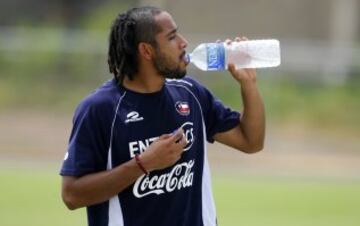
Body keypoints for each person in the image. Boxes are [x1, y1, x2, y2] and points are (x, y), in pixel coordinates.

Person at [60, 6, 265, 226]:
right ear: (147, 51)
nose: (183, 42)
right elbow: (72, 195)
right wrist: (144, 163)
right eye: (172, 37)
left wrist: (248, 85)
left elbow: (251, 141)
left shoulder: (191, 94)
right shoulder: (99, 109)